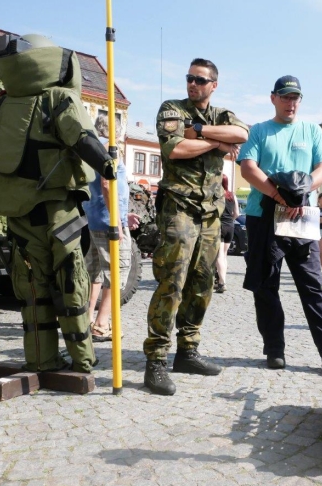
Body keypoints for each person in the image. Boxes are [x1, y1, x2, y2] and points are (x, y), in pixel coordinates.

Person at [0, 34, 117, 373]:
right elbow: (81, 137)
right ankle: (83, 359)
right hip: (60, 211)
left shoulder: (4, 104)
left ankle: (41, 358)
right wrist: (107, 163)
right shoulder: (59, 98)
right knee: (70, 282)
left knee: (32, 288)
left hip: (19, 212)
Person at [143, 58, 249, 395]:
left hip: (210, 213)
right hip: (179, 208)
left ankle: (187, 351)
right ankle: (156, 359)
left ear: (213, 85)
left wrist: (202, 131)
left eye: (200, 80)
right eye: (190, 78)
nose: (193, 84)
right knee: (172, 280)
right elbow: (176, 149)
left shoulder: (220, 115)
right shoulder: (172, 108)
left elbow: (242, 134)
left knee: (203, 282)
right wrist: (218, 144)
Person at [239, 75, 322, 369]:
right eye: (285, 97)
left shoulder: (311, 130)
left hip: (300, 218)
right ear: (273, 98)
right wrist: (278, 194)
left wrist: (302, 190)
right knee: (265, 287)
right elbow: (248, 169)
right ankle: (274, 348)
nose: (291, 103)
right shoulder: (259, 131)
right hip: (264, 217)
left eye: (295, 97)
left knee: (312, 287)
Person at [82, 117, 139, 342]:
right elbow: (107, 184)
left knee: (94, 272)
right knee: (117, 271)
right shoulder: (109, 149)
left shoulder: (91, 146)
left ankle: (86, 320)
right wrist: (117, 219)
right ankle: (102, 324)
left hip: (95, 219)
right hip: (108, 223)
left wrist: (122, 213)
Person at [215, 174, 240, 294]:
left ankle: (222, 282)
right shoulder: (232, 195)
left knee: (219, 255)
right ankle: (220, 279)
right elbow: (237, 213)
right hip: (230, 226)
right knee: (224, 255)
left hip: (218, 226)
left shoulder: (216, 195)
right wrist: (230, 219)